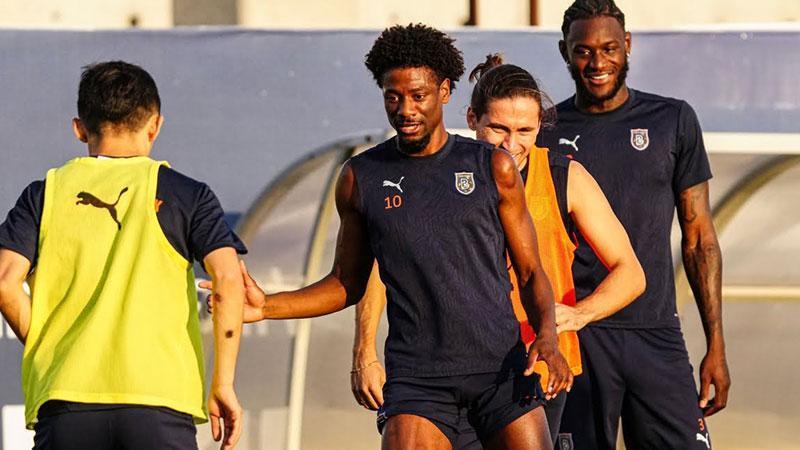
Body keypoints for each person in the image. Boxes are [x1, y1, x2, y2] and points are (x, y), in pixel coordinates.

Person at [204, 24, 571, 450]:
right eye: (393, 97)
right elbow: (346, 283)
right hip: (420, 380)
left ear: (444, 92)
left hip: (499, 370)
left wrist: (547, 336)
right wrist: (266, 306)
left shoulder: (493, 167)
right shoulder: (361, 177)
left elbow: (530, 273)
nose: (405, 109)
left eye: (418, 95)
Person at [350, 54, 646, 448]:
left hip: (533, 371)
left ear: (540, 125)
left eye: (525, 130)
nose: (511, 143)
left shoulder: (564, 178)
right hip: (444, 370)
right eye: (498, 128)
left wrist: (578, 314)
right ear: (472, 119)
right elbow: (380, 264)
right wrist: (365, 350)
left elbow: (631, 272)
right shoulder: (435, 174)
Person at [0, 61, 246, 450]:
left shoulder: (43, 195)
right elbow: (228, 280)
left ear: (80, 129)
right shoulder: (188, 194)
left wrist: (49, 342)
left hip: (66, 402)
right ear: (155, 125)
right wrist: (224, 383)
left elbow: (4, 282)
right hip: (160, 403)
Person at [535, 1, 731, 448]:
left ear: (627, 45)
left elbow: (699, 240)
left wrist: (716, 345)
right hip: (578, 333)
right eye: (583, 51)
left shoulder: (672, 120)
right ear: (565, 51)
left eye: (609, 48)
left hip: (656, 331)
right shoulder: (544, 131)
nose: (597, 63)